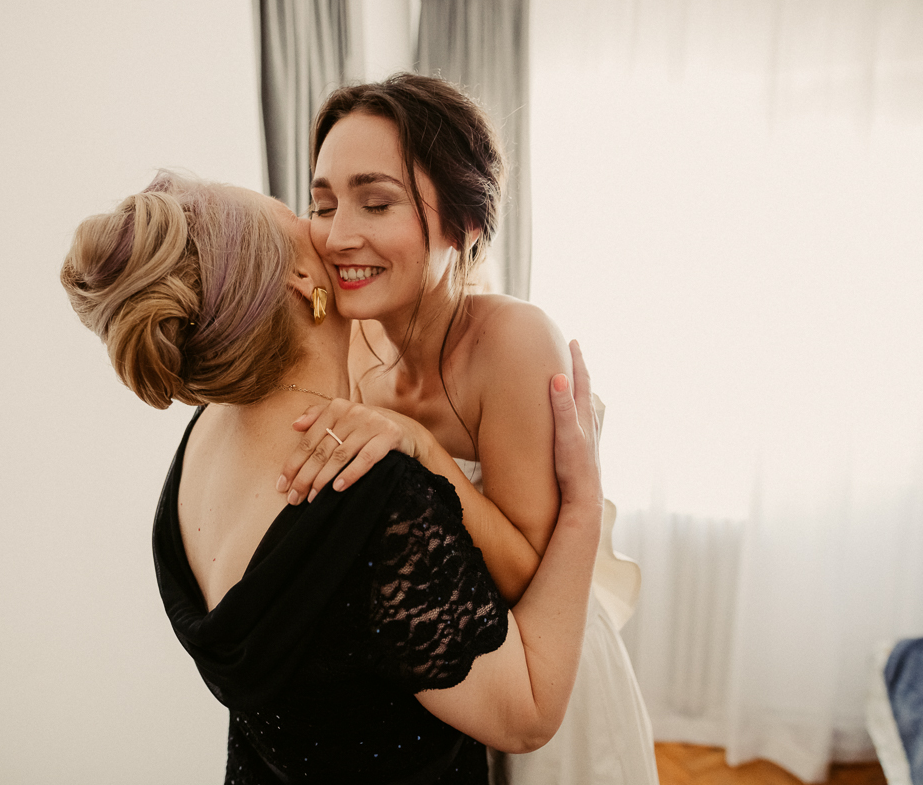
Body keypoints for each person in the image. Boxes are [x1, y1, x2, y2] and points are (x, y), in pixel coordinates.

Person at [59, 171, 605, 783]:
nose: (333, 232)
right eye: (303, 214)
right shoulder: (369, 498)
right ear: (301, 279)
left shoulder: (205, 433)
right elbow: (527, 718)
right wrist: (584, 504)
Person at [277, 73, 659, 785]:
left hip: (537, 671)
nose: (336, 235)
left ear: (466, 223)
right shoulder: (350, 338)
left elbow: (532, 576)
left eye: (376, 202)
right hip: (446, 676)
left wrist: (422, 449)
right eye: (322, 205)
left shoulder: (513, 342)